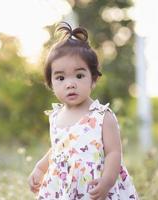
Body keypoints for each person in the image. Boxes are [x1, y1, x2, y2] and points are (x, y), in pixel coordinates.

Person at [28, 22, 138, 200]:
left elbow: (114, 153)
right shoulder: (56, 116)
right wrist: (40, 168)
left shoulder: (102, 116)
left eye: (79, 75)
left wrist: (106, 182)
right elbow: (58, 149)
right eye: (61, 77)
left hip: (95, 188)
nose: (70, 84)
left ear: (93, 79)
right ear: (51, 83)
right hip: (64, 188)